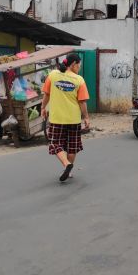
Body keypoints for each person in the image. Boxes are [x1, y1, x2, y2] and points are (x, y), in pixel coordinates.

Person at [41, 53, 90, 183]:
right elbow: (82, 102)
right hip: (73, 120)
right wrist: (86, 117)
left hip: (57, 119)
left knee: (55, 143)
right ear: (73, 64)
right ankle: (68, 171)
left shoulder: (53, 75)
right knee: (72, 146)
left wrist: (42, 108)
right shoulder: (79, 80)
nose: (79, 67)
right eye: (79, 65)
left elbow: (46, 95)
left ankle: (66, 164)